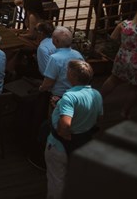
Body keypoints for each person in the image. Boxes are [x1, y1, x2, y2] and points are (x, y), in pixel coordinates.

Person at [44, 60, 103, 199]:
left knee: (56, 179)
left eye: (68, 72)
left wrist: (64, 134)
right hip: (83, 143)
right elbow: (99, 119)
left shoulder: (69, 97)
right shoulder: (96, 94)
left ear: (73, 77)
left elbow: (65, 125)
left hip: (61, 145)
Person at [39, 27, 84, 99]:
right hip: (76, 94)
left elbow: (48, 83)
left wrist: (41, 88)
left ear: (56, 41)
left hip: (59, 96)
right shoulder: (78, 55)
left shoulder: (55, 58)